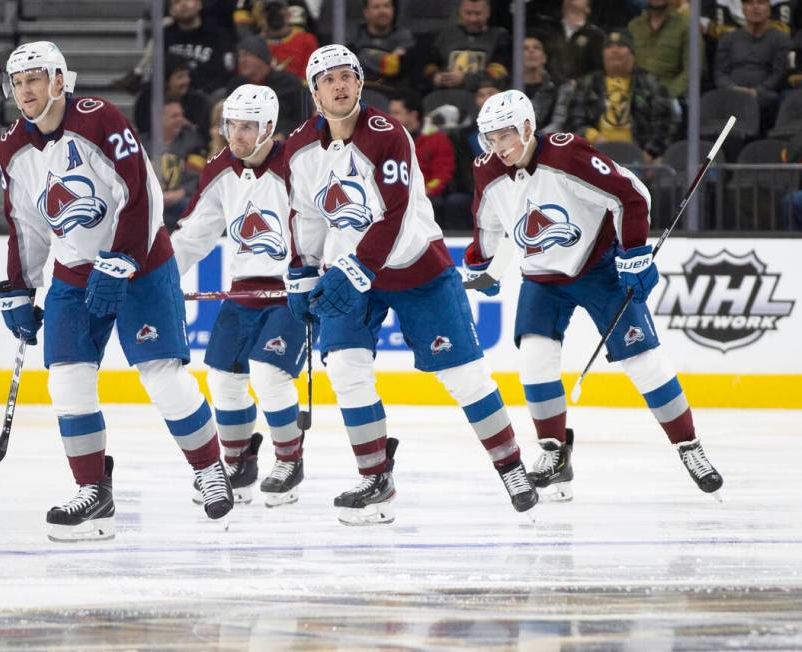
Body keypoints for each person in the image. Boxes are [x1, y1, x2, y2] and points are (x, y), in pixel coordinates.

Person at [283, 44, 538, 526]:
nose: (339, 85)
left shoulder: (386, 134)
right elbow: (307, 215)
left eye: (347, 76)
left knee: (465, 377)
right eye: (328, 79)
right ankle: (375, 476)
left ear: (360, 84)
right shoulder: (298, 149)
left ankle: (511, 468)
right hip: (351, 273)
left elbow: (395, 215)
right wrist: (302, 272)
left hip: (416, 268)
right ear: (313, 92)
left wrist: (354, 270)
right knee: (346, 368)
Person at [0, 41, 233, 542]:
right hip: (75, 273)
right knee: (67, 378)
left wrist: (122, 259)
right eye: (18, 82)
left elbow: (140, 191)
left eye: (35, 78)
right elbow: (26, 225)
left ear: (60, 80)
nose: (26, 90)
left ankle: (210, 470)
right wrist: (20, 288)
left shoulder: (100, 119)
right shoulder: (14, 148)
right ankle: (93, 491)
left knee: (162, 376)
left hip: (143, 262)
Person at [468, 89, 724, 502]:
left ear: (528, 127)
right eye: (491, 139)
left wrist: (635, 254)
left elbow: (631, 194)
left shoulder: (567, 155)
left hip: (597, 268)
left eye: (506, 135)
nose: (499, 148)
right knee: (534, 361)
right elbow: (486, 219)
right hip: (540, 278)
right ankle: (554, 454)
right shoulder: (487, 170)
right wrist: (482, 263)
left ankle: (689, 446)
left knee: (643, 361)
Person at [171, 85, 309, 508]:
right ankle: (238, 464)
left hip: (292, 288)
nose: (237, 134)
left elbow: (321, 223)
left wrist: (316, 275)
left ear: (268, 126)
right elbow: (194, 234)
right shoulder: (220, 168)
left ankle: (289, 459)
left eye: (248, 126)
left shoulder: (297, 166)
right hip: (244, 289)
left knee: (269, 375)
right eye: (232, 124)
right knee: (224, 380)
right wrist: (158, 279)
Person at [567, 29, 674, 165]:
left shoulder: (650, 83)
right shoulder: (588, 83)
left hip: (640, 157)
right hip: (595, 154)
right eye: (609, 47)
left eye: (621, 46)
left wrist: (650, 153)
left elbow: (663, 123)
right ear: (603, 55)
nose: (614, 51)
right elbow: (574, 120)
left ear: (632, 54)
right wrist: (596, 138)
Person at [714, 0, 791, 132]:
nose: (755, 7)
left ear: (769, 10)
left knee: (761, 102)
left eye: (761, 3)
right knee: (713, 102)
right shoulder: (729, 39)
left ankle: (756, 144)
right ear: (743, 10)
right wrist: (732, 88)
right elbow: (720, 72)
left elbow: (779, 73)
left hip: (764, 96)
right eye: (750, 3)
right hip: (731, 92)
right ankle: (716, 149)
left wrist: (757, 91)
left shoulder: (781, 39)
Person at [141, 99, 208, 231]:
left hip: (181, 200)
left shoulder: (193, 142)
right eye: (174, 116)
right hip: (149, 201)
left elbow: (197, 174)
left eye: (181, 115)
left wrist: (182, 192)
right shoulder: (139, 143)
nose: (180, 120)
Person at [228, 35, 310, 137]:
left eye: (247, 55)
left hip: (283, 141)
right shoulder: (236, 86)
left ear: (262, 58)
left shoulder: (289, 84)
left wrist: (284, 134)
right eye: (239, 56)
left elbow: (304, 119)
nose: (242, 60)